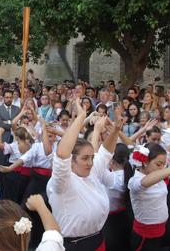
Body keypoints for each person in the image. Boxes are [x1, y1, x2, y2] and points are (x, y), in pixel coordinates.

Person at [46, 98, 120, 250]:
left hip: (98, 240)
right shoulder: (62, 181)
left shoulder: (91, 171)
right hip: (75, 245)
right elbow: (61, 153)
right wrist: (81, 117)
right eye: (85, 158)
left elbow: (106, 152)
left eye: (91, 157)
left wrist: (116, 130)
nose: (91, 163)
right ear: (71, 160)